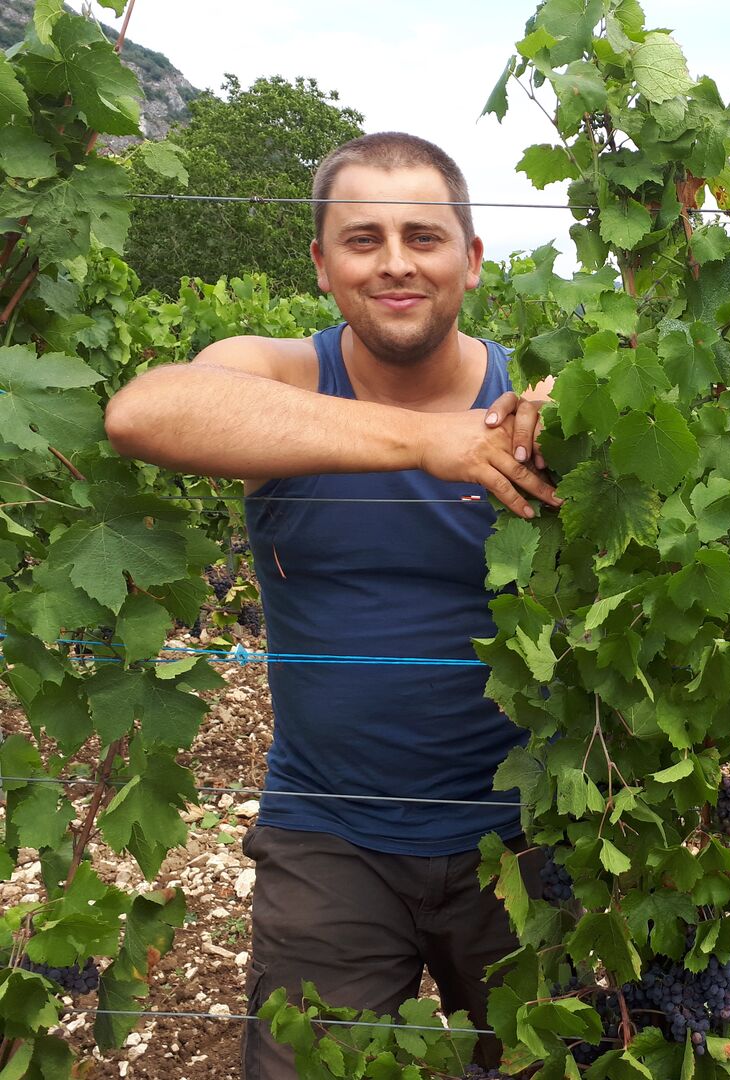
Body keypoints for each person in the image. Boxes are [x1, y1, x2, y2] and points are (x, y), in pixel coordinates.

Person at [104, 132, 559, 1077]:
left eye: (424, 236)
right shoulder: (281, 376)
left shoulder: (541, 408)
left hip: (531, 836)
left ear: (471, 261)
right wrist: (427, 443)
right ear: (320, 265)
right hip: (329, 838)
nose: (396, 261)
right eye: (363, 239)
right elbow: (146, 411)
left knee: (555, 1062)